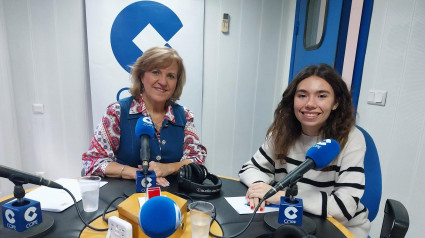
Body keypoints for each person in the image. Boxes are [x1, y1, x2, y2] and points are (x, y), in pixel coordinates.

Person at [238, 64, 370, 237]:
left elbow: (343, 208)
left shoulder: (351, 139)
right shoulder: (281, 131)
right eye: (302, 95)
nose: (310, 104)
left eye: (321, 96)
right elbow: (250, 169)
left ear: (336, 102)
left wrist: (282, 196)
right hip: (289, 220)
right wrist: (258, 187)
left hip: (338, 227)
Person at [82, 46, 207, 187]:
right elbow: (93, 161)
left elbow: (197, 158)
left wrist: (169, 168)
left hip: (173, 199)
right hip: (124, 199)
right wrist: (136, 173)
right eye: (156, 72)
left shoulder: (184, 115)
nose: (163, 82)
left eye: (171, 76)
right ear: (141, 76)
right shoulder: (117, 112)